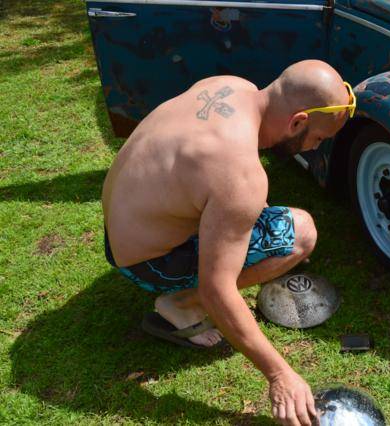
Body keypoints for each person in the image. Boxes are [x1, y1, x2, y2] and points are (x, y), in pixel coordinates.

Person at [101, 59, 355, 426]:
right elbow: (217, 289)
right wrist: (280, 376)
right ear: (298, 121)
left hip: (120, 233)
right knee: (301, 233)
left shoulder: (230, 85)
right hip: (146, 263)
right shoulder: (240, 175)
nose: (314, 149)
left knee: (245, 212)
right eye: (317, 139)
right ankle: (179, 305)